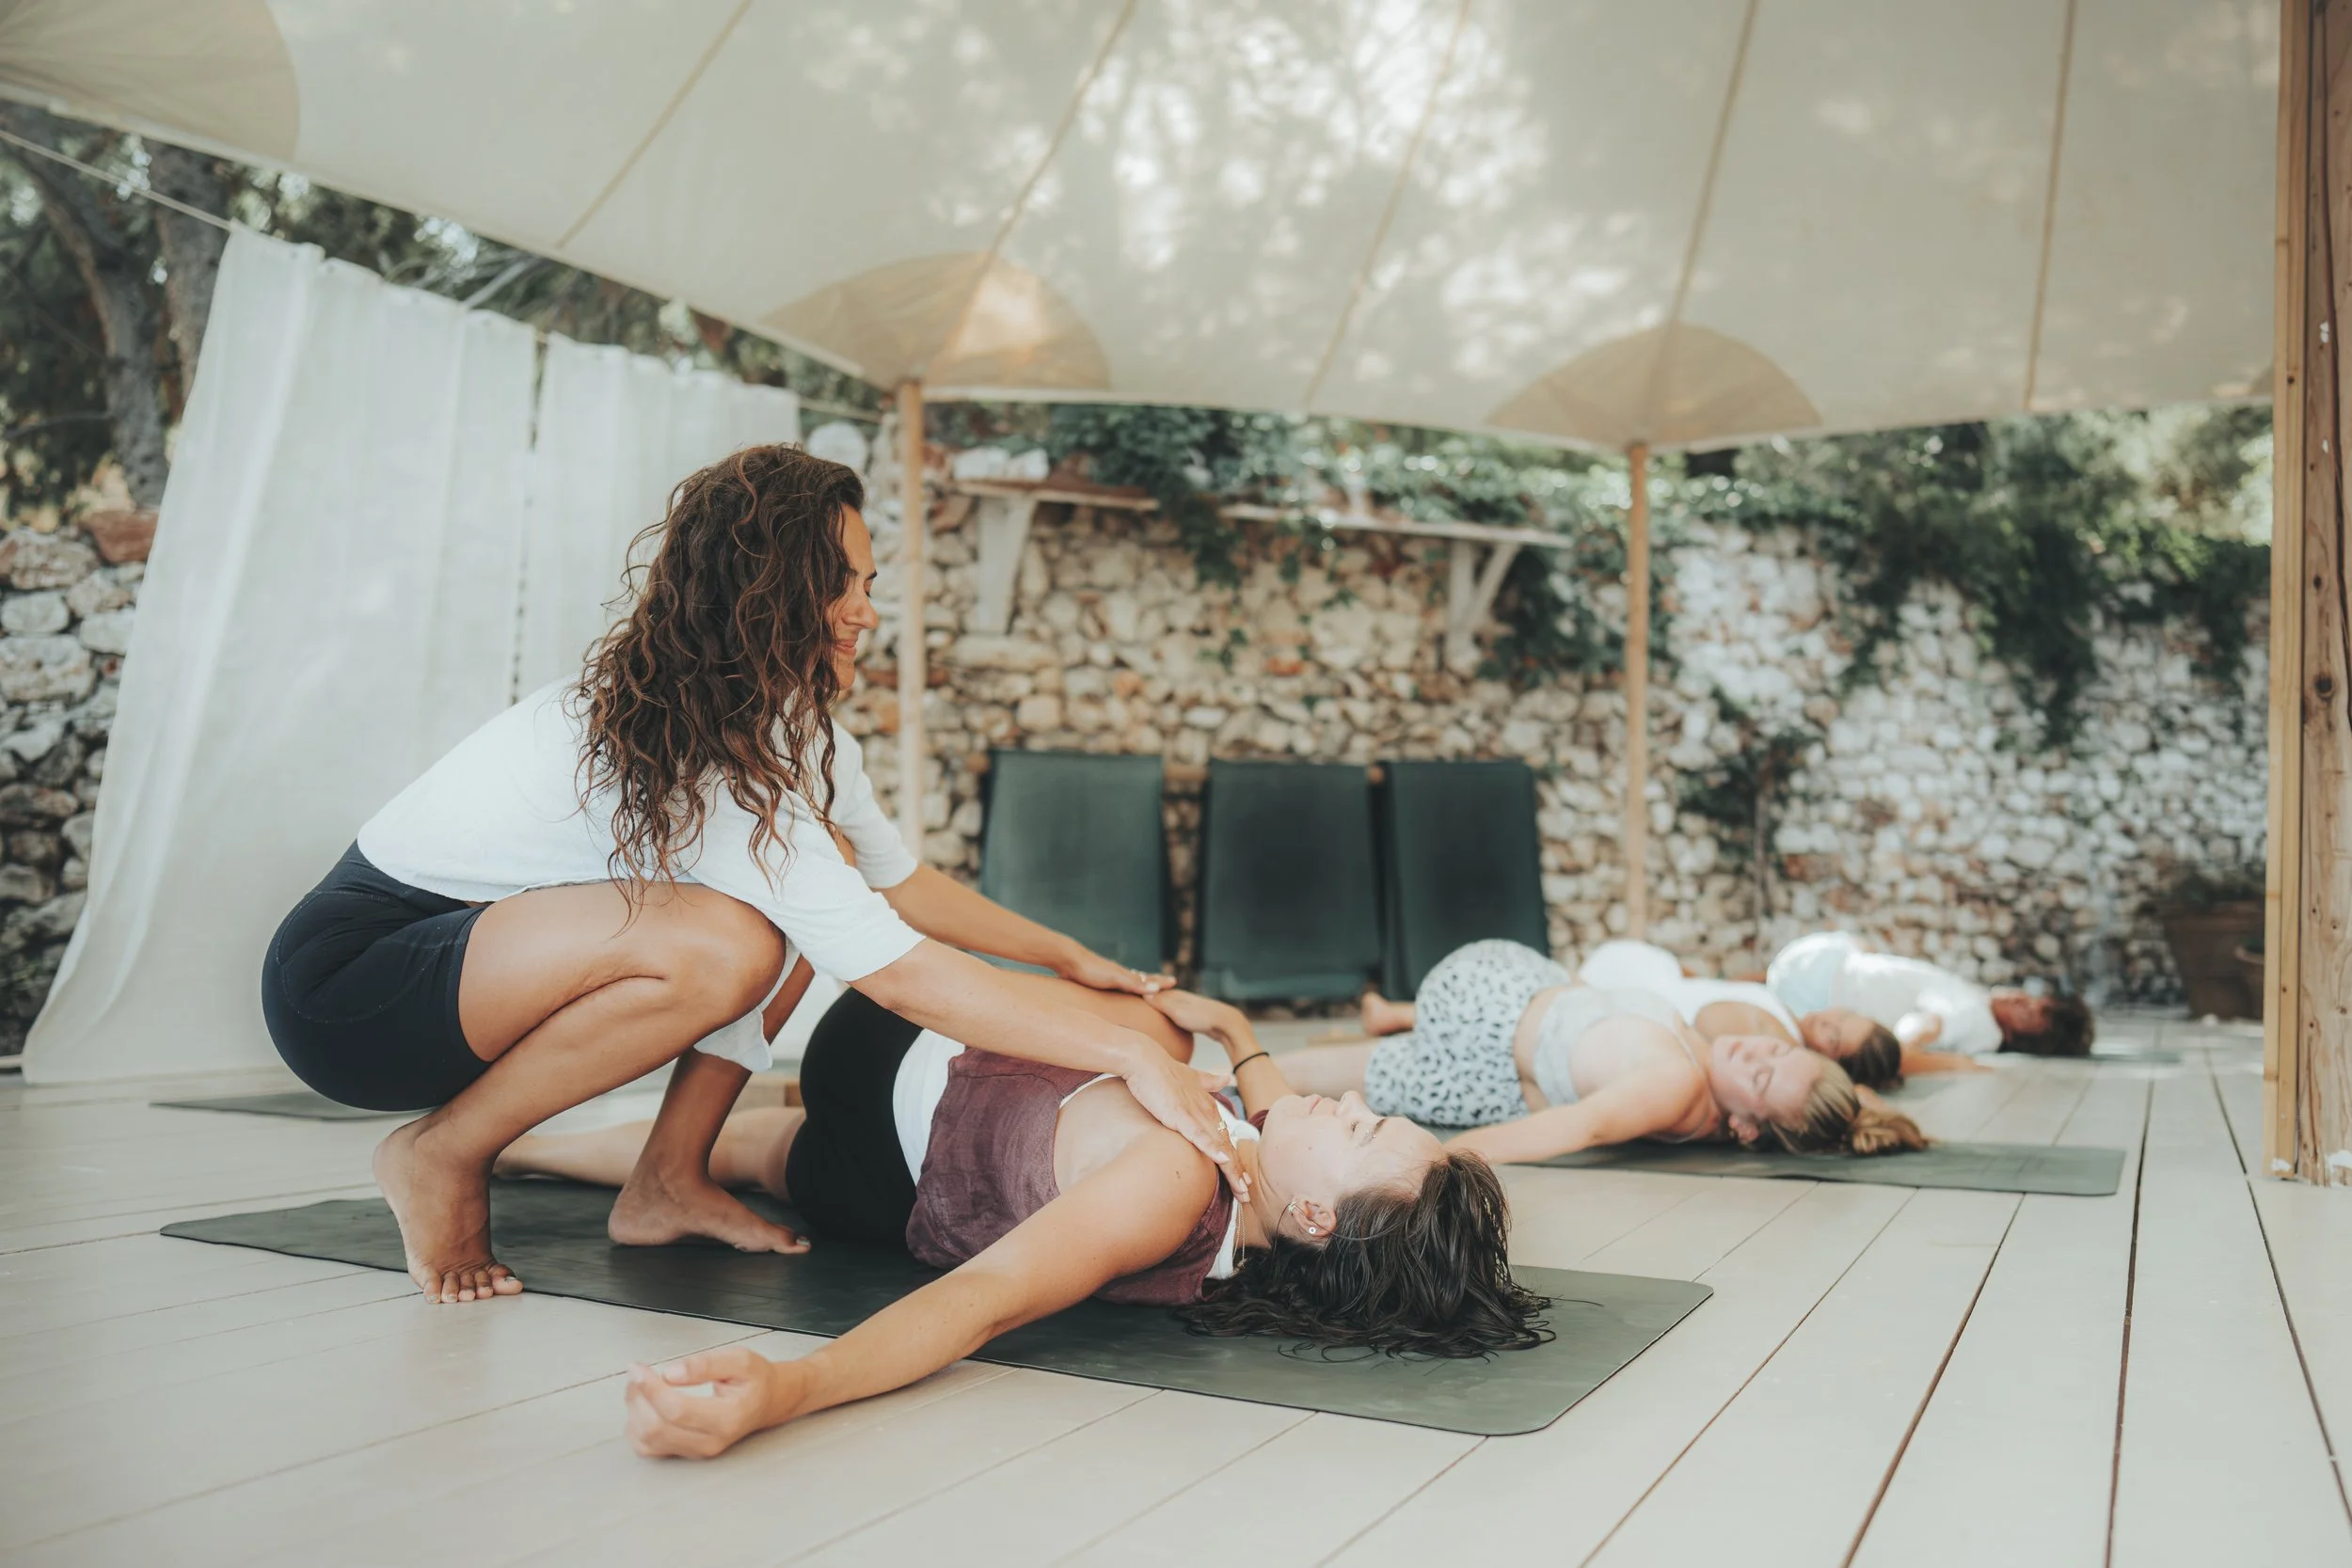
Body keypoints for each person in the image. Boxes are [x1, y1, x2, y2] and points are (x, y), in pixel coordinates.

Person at [260, 445, 1242, 1306]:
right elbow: (895, 968)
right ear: (767, 591)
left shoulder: (792, 730)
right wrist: (1129, 1053)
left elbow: (898, 886)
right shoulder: (694, 751)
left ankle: (666, 1179)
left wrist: (1072, 957)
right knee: (732, 943)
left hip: (476, 970)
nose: (868, 609)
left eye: (868, 579)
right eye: (843, 582)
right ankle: (441, 1152)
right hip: (356, 988)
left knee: (809, 894)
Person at [493, 971, 1549, 1460]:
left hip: (879, 1061)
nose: (1351, 1102)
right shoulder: (1275, 1192)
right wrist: (1229, 1022)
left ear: (1318, 1212)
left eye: (1363, 1129)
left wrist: (790, 1385)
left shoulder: (1170, 1182)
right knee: (749, 1156)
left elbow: (985, 1298)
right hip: (891, 1190)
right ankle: (521, 1144)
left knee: (1141, 1027)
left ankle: (512, 1133)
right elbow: (1270, 1098)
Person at [1280, 940, 1927, 1164]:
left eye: (1760, 1076)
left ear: (1748, 1125)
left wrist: (1441, 1157)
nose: (1754, 1052)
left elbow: (1575, 1126)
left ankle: (1235, 1070)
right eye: (1776, 1052)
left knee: (1302, 1076)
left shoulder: (1676, 1082)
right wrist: (1858, 1108)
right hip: (1502, 1003)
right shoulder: (1705, 1072)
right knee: (1314, 1075)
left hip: (1486, 1041)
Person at [1574, 939, 1905, 1089]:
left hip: (1616, 1002)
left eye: (1833, 1037)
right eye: (1844, 1016)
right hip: (1640, 973)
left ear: (1831, 1063)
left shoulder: (1778, 1046)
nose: (1827, 1020)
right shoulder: (1787, 1017)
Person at [1765, 931, 2093, 1078]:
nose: (2018, 998)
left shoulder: (1973, 1018)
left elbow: (1922, 1028)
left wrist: (1916, 1055)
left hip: (1819, 987)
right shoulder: (1978, 1005)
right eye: (2029, 999)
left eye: (2026, 1013)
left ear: (2017, 1038)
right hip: (1829, 970)